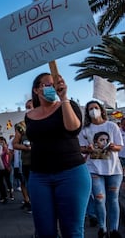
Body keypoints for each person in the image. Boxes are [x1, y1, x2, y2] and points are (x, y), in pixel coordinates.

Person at [25, 72, 91, 237]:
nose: (52, 87)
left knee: (72, 231)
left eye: (54, 84)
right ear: (37, 90)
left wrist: (64, 98)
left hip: (71, 173)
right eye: (47, 84)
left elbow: (73, 128)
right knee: (44, 231)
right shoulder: (29, 116)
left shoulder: (68, 105)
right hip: (39, 176)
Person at [78, 100, 123, 238]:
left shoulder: (112, 126)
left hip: (114, 170)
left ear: (101, 110)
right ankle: (102, 229)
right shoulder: (85, 130)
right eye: (90, 108)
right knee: (99, 198)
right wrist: (88, 149)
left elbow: (119, 146)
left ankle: (114, 230)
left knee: (113, 199)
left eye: (96, 108)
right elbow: (81, 148)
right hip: (94, 169)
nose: (93, 110)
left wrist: (111, 146)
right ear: (87, 112)